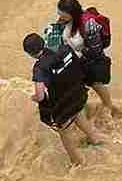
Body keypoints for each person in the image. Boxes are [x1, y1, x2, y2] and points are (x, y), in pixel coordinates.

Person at [23, 32, 101, 167]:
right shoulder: (64, 49)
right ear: (43, 42)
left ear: (30, 54)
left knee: (64, 132)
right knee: (77, 114)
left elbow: (40, 95)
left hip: (62, 105)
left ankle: (77, 162)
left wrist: (33, 98)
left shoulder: (40, 68)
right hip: (78, 94)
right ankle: (95, 140)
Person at [56, 0, 119, 119]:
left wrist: (78, 54)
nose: (60, 17)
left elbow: (96, 50)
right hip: (74, 59)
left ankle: (108, 106)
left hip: (88, 61)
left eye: (62, 15)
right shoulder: (66, 20)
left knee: (96, 84)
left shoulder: (89, 25)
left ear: (72, 14)